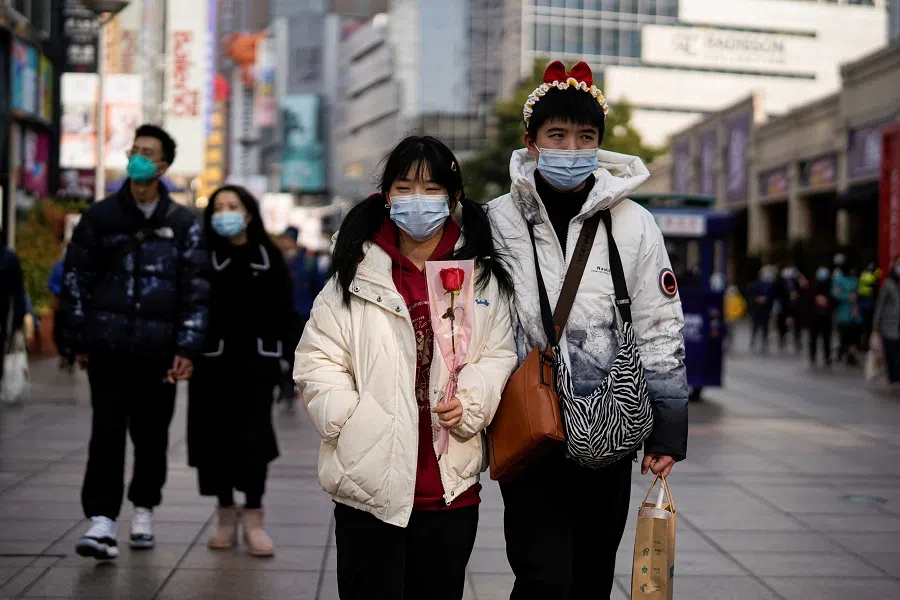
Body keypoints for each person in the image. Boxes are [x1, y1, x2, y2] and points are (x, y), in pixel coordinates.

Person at [485, 61, 688, 600]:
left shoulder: (634, 222)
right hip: (528, 424)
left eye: (585, 137)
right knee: (540, 577)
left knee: (593, 575)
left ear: (599, 144)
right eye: (557, 135)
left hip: (608, 427)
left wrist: (668, 428)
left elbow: (660, 327)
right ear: (531, 143)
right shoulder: (495, 221)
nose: (571, 147)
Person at [294, 136, 517, 600]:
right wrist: (350, 422)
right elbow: (318, 358)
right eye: (405, 186)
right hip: (368, 485)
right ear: (387, 195)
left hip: (449, 486)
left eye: (432, 188)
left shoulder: (479, 274)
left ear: (454, 197)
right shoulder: (355, 272)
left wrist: (470, 401)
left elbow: (498, 354)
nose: (418, 199)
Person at [61, 124, 209, 560]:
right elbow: (76, 280)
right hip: (107, 346)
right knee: (105, 431)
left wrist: (187, 346)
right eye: (135, 151)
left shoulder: (182, 223)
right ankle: (102, 520)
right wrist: (76, 337)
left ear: (163, 166)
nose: (138, 158)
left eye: (148, 153)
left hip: (159, 351)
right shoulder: (100, 217)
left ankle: (143, 507)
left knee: (151, 435)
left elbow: (196, 289)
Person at [188, 185, 292, 557]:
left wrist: (294, 364)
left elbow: (285, 314)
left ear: (248, 213)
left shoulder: (269, 257)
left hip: (255, 366)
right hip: (211, 364)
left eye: (232, 206)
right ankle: (224, 515)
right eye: (218, 207)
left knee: (253, 441)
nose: (225, 212)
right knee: (213, 441)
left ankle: (254, 519)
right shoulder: (201, 256)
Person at [280, 227, 326, 403]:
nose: (285, 243)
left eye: (288, 239)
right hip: (285, 315)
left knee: (299, 352)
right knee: (287, 351)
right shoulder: (279, 260)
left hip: (303, 314)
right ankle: (286, 385)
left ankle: (292, 385)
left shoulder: (307, 261)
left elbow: (319, 287)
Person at [0, 228, 26, 385]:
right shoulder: (10, 258)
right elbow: (18, 290)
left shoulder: (9, 258)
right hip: (3, 311)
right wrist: (19, 318)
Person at [873, 257, 900, 383]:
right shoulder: (888, 283)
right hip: (889, 324)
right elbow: (880, 304)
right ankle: (892, 376)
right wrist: (876, 324)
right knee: (891, 351)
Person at [833, 266, 862, 366]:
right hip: (844, 314)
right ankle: (843, 351)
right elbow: (836, 294)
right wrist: (847, 296)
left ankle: (851, 355)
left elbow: (860, 292)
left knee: (854, 335)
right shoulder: (839, 280)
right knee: (845, 335)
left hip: (855, 314)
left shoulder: (856, 280)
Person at [808, 266, 835, 367]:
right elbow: (808, 301)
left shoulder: (830, 286)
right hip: (815, 316)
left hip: (826, 316)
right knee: (814, 338)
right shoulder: (813, 286)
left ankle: (827, 357)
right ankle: (813, 355)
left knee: (826, 338)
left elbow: (834, 298)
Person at [774, 265, 804, 353]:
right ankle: (782, 341)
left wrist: (796, 294)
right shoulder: (779, 282)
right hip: (784, 307)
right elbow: (777, 293)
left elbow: (802, 291)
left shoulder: (796, 282)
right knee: (782, 326)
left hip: (795, 307)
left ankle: (798, 342)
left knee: (797, 327)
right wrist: (787, 295)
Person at [748, 266, 777, 353]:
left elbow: (773, 296)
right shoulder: (755, 284)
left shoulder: (771, 286)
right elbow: (751, 295)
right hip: (757, 309)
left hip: (766, 309)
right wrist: (757, 299)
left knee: (765, 327)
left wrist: (766, 300)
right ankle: (753, 340)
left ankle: (764, 342)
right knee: (755, 326)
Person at [858, 261, 880, 350]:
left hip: (868, 300)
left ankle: (867, 344)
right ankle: (866, 344)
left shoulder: (866, 273)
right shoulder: (871, 273)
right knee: (866, 325)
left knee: (866, 325)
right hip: (867, 300)